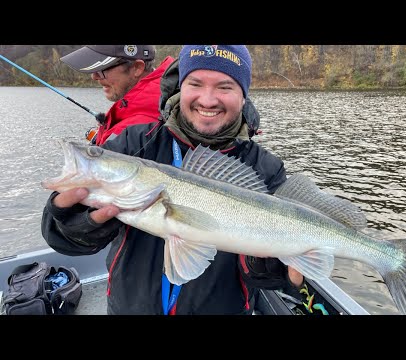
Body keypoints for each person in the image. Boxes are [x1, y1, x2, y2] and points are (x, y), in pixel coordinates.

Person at [41, 45, 303, 315]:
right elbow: (60, 239)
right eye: (195, 83)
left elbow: (269, 280)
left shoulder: (265, 167)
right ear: (180, 86)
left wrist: (270, 269)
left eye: (225, 87)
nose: (208, 100)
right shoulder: (135, 143)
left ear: (243, 95)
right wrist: (73, 223)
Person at [60, 45, 175, 145]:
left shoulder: (136, 128)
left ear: (137, 68)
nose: (94, 77)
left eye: (101, 69)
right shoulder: (167, 100)